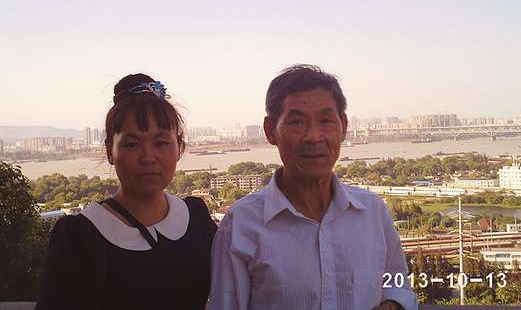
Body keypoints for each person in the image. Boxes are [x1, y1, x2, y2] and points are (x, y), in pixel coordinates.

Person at [210, 65, 417, 310]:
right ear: (270, 131)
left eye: (325, 120)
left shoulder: (372, 212)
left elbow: (396, 283)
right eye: (297, 122)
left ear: (343, 126)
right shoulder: (241, 225)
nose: (313, 136)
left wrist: (393, 304)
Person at [36, 74, 217, 310]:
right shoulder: (80, 237)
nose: (148, 157)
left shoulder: (196, 218)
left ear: (179, 147)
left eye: (161, 142)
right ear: (110, 151)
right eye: (132, 144)